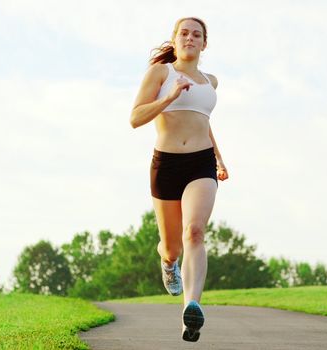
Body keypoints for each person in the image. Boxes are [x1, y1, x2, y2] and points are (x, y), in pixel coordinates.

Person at [129, 17, 228, 342]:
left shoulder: (210, 82)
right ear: (174, 39)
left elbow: (202, 121)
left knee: (195, 231)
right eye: (184, 33)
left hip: (201, 164)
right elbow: (135, 118)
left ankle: (192, 307)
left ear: (204, 44)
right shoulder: (161, 73)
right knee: (172, 246)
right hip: (167, 164)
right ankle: (168, 261)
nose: (190, 38)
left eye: (196, 34)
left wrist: (219, 157)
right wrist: (169, 97)